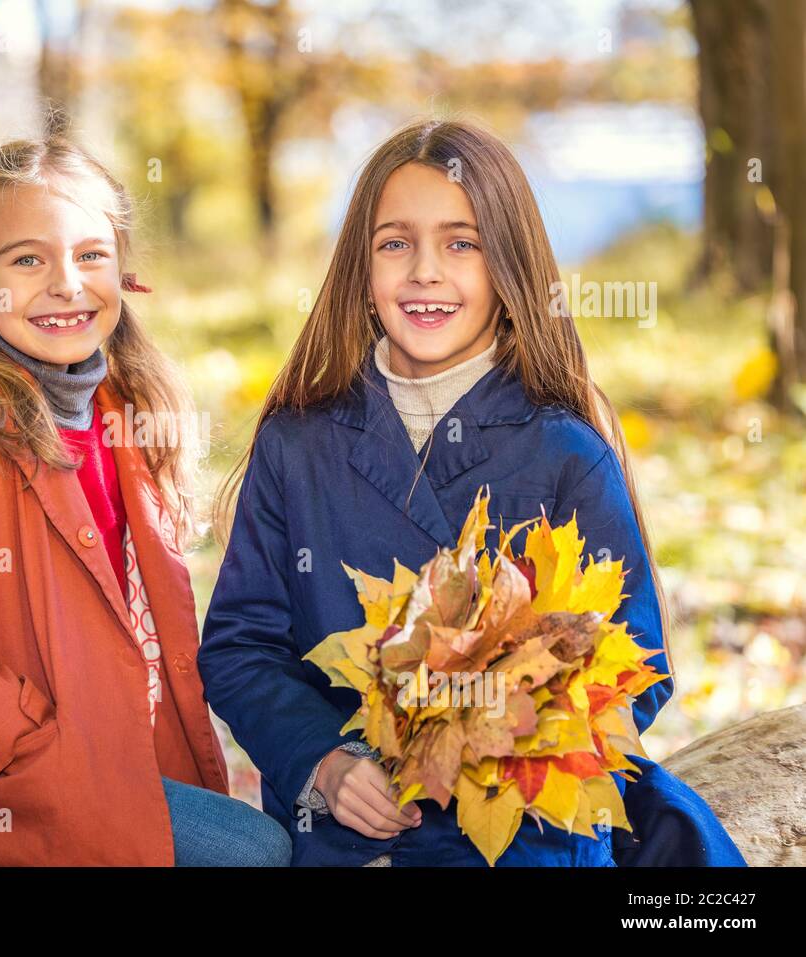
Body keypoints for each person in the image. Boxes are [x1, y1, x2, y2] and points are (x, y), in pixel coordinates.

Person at [198, 117, 746, 867]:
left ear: (509, 269)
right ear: (361, 271)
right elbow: (241, 647)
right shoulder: (298, 443)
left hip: (526, 834)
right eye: (396, 243)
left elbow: (636, 661)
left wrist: (494, 739)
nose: (426, 270)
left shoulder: (565, 451)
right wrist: (322, 761)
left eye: (463, 243)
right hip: (353, 828)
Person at [0, 130, 290, 866]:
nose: (66, 283)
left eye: (90, 254)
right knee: (255, 852)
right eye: (28, 259)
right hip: (0, 782)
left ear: (122, 270)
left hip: (117, 763)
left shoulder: (126, 411)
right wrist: (12, 730)